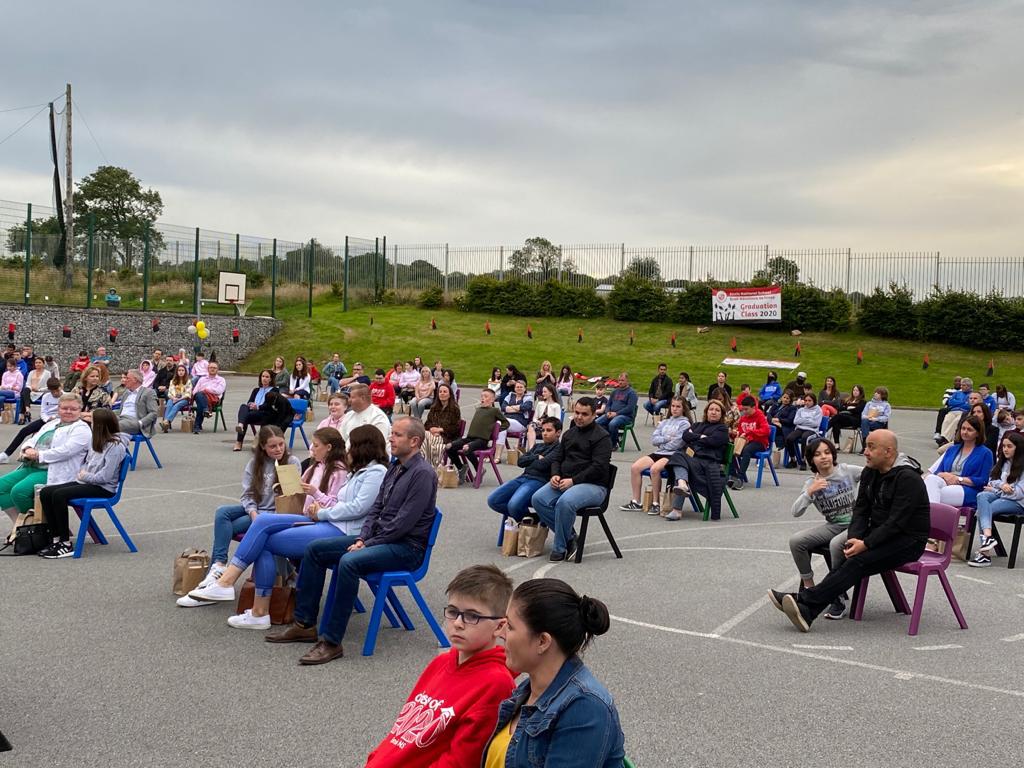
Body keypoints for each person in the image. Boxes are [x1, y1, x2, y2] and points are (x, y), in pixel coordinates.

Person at [264, 417, 438, 665]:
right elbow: (375, 510)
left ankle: (332, 642)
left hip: (406, 548)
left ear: (415, 441)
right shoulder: (395, 467)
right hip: (381, 540)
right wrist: (365, 537)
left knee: (349, 562)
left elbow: (404, 523)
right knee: (314, 550)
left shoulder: (422, 474)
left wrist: (368, 543)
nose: (391, 438)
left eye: (397, 435)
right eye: (392, 434)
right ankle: (304, 624)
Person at [189, 429, 387, 629]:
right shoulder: (353, 471)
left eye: (351, 445)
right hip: (325, 521)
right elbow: (344, 504)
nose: (348, 449)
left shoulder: (374, 472)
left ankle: (245, 600)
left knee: (263, 538)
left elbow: (356, 508)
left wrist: (321, 511)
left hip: (340, 529)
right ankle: (231, 587)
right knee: (261, 522)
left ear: (363, 447)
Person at [769, 430, 930, 632]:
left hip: (908, 541)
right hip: (880, 533)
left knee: (858, 561)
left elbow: (896, 522)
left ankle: (803, 600)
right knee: (850, 553)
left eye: (871, 447)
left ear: (888, 452)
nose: (865, 452)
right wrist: (854, 538)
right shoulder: (872, 472)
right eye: (866, 446)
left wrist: (867, 543)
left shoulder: (908, 479)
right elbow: (861, 510)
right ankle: (807, 611)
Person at [364, 564, 515, 768]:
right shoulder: (442, 662)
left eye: (472, 616)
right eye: (453, 612)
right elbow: (400, 733)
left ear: (499, 626)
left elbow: (461, 761)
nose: (458, 623)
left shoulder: (496, 683)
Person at [483, 578, 625, 767]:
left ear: (542, 641)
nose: (500, 633)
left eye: (510, 626)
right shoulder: (528, 690)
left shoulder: (586, 708)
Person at [176, 425, 302, 608]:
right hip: (256, 510)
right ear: (263, 448)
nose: (278, 449)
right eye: (273, 446)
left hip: (276, 514)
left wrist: (260, 517)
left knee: (229, 529)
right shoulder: (254, 463)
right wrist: (253, 513)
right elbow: (248, 495)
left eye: (281, 444)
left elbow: (291, 498)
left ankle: (221, 575)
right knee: (222, 512)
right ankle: (219, 565)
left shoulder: (292, 462)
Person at [37, 408, 128, 559]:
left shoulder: (115, 447)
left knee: (59, 495)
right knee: (47, 492)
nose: (88, 422)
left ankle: (65, 544)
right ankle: (56, 539)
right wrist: (83, 475)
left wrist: (85, 476)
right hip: (89, 482)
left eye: (91, 420)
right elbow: (87, 465)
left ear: (99, 425)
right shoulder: (97, 442)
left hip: (103, 489)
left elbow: (104, 477)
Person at [788, 438, 863, 620]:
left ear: (833, 454)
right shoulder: (811, 483)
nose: (824, 457)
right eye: (818, 454)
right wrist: (810, 492)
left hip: (855, 525)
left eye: (827, 452)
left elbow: (872, 472)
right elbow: (795, 512)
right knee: (796, 541)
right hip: (834, 525)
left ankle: (835, 593)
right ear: (811, 460)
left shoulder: (846, 471)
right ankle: (810, 586)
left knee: (836, 544)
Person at [531, 397, 612, 561]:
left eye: (584, 414)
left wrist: (573, 481)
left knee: (565, 502)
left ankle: (560, 547)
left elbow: (598, 467)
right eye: (576, 413)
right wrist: (555, 474)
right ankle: (570, 537)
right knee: (538, 499)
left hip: (594, 485)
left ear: (594, 415)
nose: (579, 417)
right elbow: (557, 459)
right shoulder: (569, 434)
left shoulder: (602, 437)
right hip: (566, 481)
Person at [1, 393, 91, 529]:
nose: (68, 411)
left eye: (73, 409)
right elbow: (33, 439)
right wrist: (27, 448)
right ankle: (20, 525)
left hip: (53, 470)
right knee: (1, 487)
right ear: (58, 408)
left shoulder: (82, 429)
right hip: (32, 466)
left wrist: (38, 455)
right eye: (64, 408)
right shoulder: (52, 423)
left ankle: (43, 526)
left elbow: (66, 451)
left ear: (80, 410)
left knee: (19, 492)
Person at [622, 397, 690, 514]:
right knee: (635, 467)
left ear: (683, 408)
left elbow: (678, 443)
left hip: (673, 455)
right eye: (673, 406)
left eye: (678, 406)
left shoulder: (685, 423)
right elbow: (654, 439)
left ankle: (656, 503)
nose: (674, 409)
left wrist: (663, 443)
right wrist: (667, 439)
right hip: (659, 452)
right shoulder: (664, 421)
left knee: (655, 469)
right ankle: (636, 501)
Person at [488, 417, 562, 523]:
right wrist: (536, 457)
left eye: (549, 430)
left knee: (514, 505)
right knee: (493, 500)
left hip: (538, 481)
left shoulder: (559, 449)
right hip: (523, 477)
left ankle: (529, 519)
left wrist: (531, 460)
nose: (544, 433)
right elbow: (520, 462)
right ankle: (531, 518)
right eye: (543, 430)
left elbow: (542, 465)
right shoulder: (537, 446)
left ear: (558, 432)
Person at [666, 400, 730, 521]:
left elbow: (712, 441)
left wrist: (694, 438)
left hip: (708, 463)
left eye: (717, 410)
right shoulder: (697, 425)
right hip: (693, 460)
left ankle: (677, 506)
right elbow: (685, 435)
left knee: (679, 457)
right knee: (679, 456)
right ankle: (682, 485)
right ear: (706, 412)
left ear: (721, 414)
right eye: (711, 409)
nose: (714, 412)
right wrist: (701, 436)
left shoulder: (722, 430)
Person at [969, 431, 1024, 567]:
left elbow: (1018, 494)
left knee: (984, 509)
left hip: (1018, 503)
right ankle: (988, 537)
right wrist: (1002, 486)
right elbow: (991, 480)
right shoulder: (1004, 463)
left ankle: (985, 554)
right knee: (982, 496)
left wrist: (996, 490)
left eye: (1009, 446)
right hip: (1004, 496)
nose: (1005, 449)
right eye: (1004, 446)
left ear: (1018, 448)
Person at [923, 415, 993, 507]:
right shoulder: (952, 449)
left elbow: (983, 480)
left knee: (932, 493)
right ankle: (934, 516)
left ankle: (931, 518)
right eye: (963, 428)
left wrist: (959, 479)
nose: (965, 432)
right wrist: (945, 475)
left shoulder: (985, 453)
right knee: (930, 479)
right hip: (946, 483)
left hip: (968, 489)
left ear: (978, 433)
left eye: (969, 429)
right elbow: (938, 471)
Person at [446, 389, 508, 485]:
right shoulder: (478, 409)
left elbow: (506, 423)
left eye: (486, 396)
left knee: (467, 448)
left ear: (492, 400)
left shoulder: (494, 410)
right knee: (449, 447)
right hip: (470, 438)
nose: (483, 398)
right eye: (482, 396)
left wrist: (495, 430)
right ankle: (461, 467)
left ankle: (479, 468)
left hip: (481, 440)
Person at [0, 377, 62, 464]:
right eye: (52, 391)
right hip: (46, 420)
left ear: (60, 387)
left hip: (60, 421)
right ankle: (6, 454)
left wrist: (55, 417)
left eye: (57, 390)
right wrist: (47, 419)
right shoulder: (46, 397)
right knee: (24, 431)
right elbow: (43, 412)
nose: (55, 393)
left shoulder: (65, 396)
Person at [728, 395, 770, 490]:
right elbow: (740, 431)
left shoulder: (760, 415)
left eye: (746, 409)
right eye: (743, 409)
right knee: (730, 449)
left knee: (747, 450)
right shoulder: (743, 418)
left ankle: (740, 478)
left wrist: (750, 432)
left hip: (760, 442)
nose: (744, 412)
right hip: (746, 442)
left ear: (753, 407)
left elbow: (766, 431)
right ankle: (732, 475)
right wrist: (736, 434)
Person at [232, 369, 279, 448]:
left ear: (271, 379)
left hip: (265, 414)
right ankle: (240, 426)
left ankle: (239, 441)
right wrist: (251, 404)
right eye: (263, 376)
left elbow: (270, 405)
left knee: (245, 417)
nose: (264, 378)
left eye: (267, 377)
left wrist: (258, 407)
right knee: (243, 406)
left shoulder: (274, 390)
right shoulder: (256, 390)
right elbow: (250, 401)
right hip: (253, 412)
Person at [422, 382, 461, 467]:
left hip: (448, 437)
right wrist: (432, 429)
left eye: (445, 392)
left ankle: (431, 466)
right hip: (433, 435)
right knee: (423, 437)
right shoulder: (434, 408)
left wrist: (440, 430)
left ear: (450, 394)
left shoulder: (454, 409)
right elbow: (427, 424)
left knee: (427, 441)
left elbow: (455, 428)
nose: (442, 394)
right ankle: (427, 466)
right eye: (440, 392)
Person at [595, 372, 637, 448]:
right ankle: (608, 440)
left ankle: (614, 444)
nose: (620, 382)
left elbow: (630, 408)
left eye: (622, 380)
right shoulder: (615, 391)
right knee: (596, 423)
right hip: (611, 414)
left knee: (612, 424)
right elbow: (608, 404)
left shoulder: (632, 393)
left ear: (627, 381)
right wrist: (607, 412)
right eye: (619, 380)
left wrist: (616, 413)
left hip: (625, 416)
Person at [784, 393, 823, 470]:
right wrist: (808, 420)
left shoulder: (818, 410)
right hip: (800, 429)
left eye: (809, 400)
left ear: (814, 401)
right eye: (805, 400)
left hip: (812, 430)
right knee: (789, 438)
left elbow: (816, 423)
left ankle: (803, 461)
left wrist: (802, 420)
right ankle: (793, 460)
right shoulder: (801, 410)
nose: (807, 402)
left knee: (805, 438)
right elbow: (795, 421)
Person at [114, 370, 159, 436]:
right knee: (100, 423)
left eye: (127, 378)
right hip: (121, 419)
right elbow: (120, 410)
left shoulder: (148, 392)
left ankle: (113, 445)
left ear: (135, 380)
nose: (124, 380)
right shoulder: (126, 393)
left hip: (135, 421)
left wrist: (140, 423)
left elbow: (154, 413)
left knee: (112, 426)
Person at [191, 361, 227, 434]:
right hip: (201, 398)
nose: (212, 369)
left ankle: (198, 425)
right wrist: (201, 393)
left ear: (217, 370)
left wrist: (207, 390)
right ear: (208, 369)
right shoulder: (202, 379)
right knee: (199, 395)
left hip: (214, 400)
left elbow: (219, 391)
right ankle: (205, 411)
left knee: (200, 397)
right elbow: (194, 391)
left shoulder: (221, 380)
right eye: (211, 367)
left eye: (214, 368)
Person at [936, 377, 972, 445]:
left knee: (956, 421)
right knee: (947, 419)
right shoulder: (957, 393)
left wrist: (957, 403)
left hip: (964, 412)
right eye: (962, 385)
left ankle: (945, 439)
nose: (961, 387)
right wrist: (963, 402)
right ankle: (943, 438)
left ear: (969, 386)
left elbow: (968, 406)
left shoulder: (971, 394)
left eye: (963, 385)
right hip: (953, 410)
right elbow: (950, 402)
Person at [526, 383, 561, 451]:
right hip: (538, 424)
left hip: (550, 425)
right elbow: (535, 418)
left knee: (534, 428)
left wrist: (546, 423)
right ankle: (531, 449)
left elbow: (557, 420)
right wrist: (538, 422)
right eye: (543, 392)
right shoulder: (540, 404)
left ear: (551, 393)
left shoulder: (556, 406)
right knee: (531, 426)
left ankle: (536, 450)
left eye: (545, 392)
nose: (543, 393)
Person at [160, 365, 193, 431]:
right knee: (169, 403)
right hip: (173, 398)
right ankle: (166, 424)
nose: (181, 372)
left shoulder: (188, 381)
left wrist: (178, 399)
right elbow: (169, 393)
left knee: (177, 405)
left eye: (182, 370)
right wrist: (173, 398)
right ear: (177, 372)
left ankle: (166, 421)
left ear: (185, 372)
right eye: (179, 370)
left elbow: (188, 394)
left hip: (184, 399)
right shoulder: (172, 381)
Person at [859, 386, 891, 451]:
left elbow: (886, 417)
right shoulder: (869, 403)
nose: (875, 394)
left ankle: (865, 445)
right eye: (875, 392)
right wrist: (868, 417)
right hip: (868, 421)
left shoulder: (886, 405)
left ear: (883, 395)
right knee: (865, 421)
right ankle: (865, 443)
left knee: (865, 423)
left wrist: (876, 419)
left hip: (878, 423)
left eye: (878, 393)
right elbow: (863, 415)